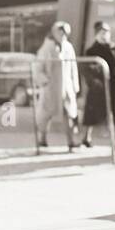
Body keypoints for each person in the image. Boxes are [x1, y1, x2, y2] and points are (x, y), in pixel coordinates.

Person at [33, 20, 80, 150]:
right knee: (45, 114)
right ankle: (42, 138)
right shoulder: (46, 48)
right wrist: (44, 81)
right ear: (54, 32)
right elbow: (38, 67)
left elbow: (73, 67)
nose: (62, 34)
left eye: (64, 32)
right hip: (51, 86)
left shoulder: (68, 47)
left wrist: (75, 84)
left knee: (69, 113)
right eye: (59, 32)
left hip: (66, 86)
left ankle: (70, 141)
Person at [78, 20, 115, 148]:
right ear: (96, 34)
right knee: (91, 111)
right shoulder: (91, 50)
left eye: (106, 32)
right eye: (102, 32)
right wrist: (94, 82)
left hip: (114, 85)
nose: (104, 34)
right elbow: (87, 69)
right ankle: (86, 137)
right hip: (98, 86)